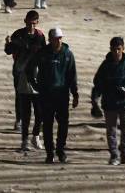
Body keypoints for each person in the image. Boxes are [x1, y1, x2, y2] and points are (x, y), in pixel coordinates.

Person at [91, 36, 125, 165]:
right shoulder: (105, 65)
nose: (116, 52)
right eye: (114, 49)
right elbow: (98, 83)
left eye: (119, 49)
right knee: (111, 130)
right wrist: (95, 100)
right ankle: (114, 155)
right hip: (109, 103)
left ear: (123, 48)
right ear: (110, 49)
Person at [28, 25, 78, 164]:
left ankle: (60, 150)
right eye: (55, 38)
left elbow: (72, 75)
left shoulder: (68, 54)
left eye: (60, 38)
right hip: (46, 95)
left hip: (62, 95)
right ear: (50, 39)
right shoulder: (43, 53)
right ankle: (50, 153)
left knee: (63, 124)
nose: (58, 41)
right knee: (47, 125)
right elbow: (30, 68)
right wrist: (36, 85)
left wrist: (75, 93)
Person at [5, 9, 46, 153]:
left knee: (39, 108)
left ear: (37, 22)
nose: (31, 26)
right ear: (25, 21)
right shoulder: (18, 34)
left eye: (34, 23)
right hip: (20, 72)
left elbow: (44, 54)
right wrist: (9, 44)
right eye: (29, 23)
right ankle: (19, 122)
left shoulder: (40, 36)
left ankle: (35, 136)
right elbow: (8, 50)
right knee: (22, 100)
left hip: (36, 75)